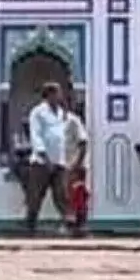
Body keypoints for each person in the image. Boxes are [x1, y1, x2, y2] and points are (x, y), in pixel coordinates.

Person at [23, 83, 68, 232]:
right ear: (49, 95)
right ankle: (30, 226)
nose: (60, 96)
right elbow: (36, 136)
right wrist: (45, 157)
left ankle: (69, 224)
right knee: (35, 196)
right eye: (57, 93)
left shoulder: (61, 112)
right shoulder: (38, 112)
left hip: (59, 160)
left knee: (62, 194)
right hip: (41, 162)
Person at [63, 100, 90, 233]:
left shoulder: (73, 121)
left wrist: (76, 164)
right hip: (63, 165)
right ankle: (71, 224)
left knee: (78, 196)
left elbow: (83, 143)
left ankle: (81, 225)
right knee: (68, 197)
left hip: (75, 165)